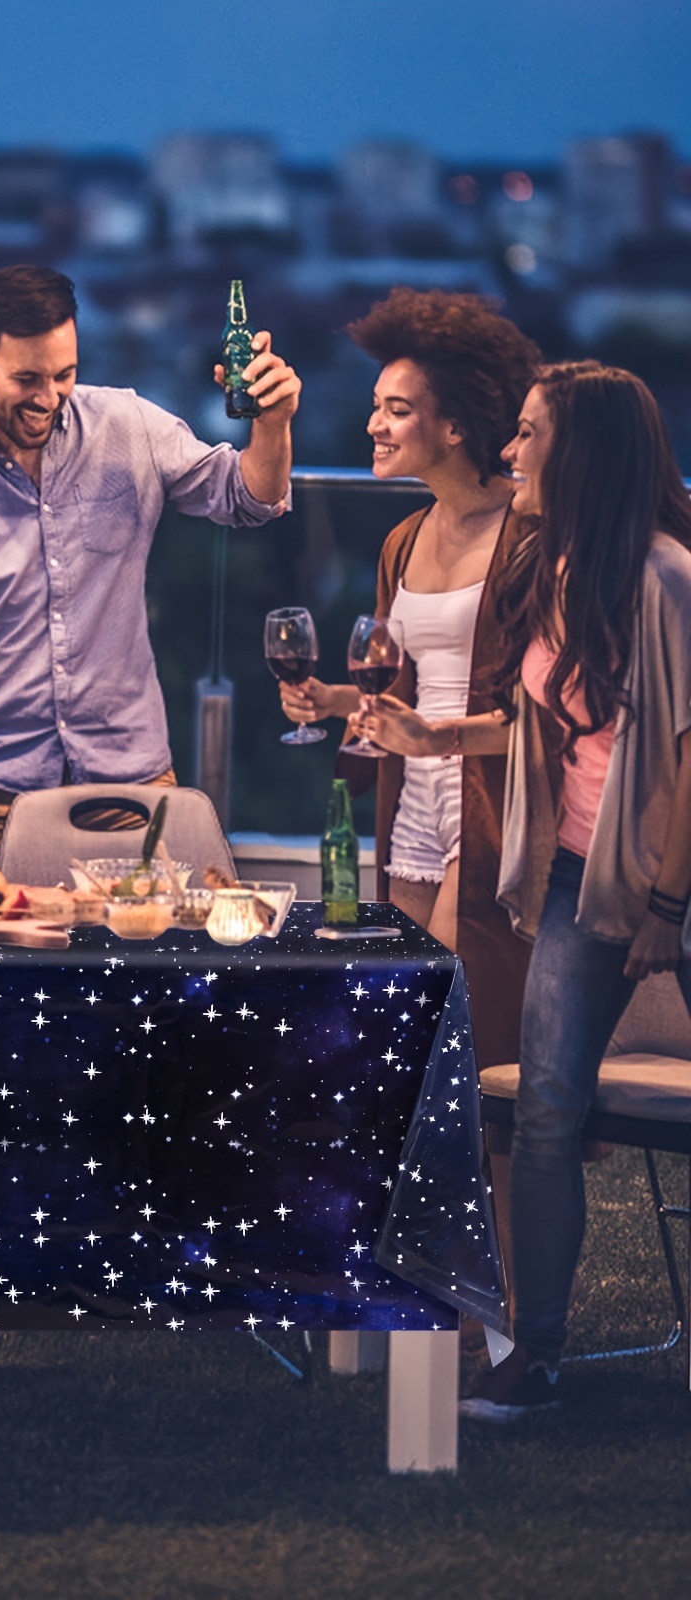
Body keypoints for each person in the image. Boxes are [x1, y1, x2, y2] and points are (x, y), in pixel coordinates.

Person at [355, 362, 691, 1419]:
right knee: (541, 1109)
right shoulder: (559, 569)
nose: (510, 450)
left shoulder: (664, 578)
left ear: (577, 452)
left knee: (544, 1110)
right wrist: (432, 733)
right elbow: (545, 722)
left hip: (662, 883)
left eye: (530, 434)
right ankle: (532, 1356)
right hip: (574, 878)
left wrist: (666, 906)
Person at [0, 264, 300, 863]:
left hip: (129, 773)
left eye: (64, 374)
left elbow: (250, 499)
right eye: (27, 378)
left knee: (153, 950)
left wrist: (273, 424)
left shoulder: (128, 425)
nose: (48, 397)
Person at [279, 288, 542, 1069]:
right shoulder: (405, 537)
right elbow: (398, 684)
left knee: (468, 1030)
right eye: (375, 406)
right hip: (414, 802)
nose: (373, 426)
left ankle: (495, 1192)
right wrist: (335, 703)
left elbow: (552, 709)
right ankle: (423, 1196)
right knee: (406, 1028)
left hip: (490, 800)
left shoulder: (530, 531)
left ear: (456, 425)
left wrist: (434, 734)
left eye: (396, 410)